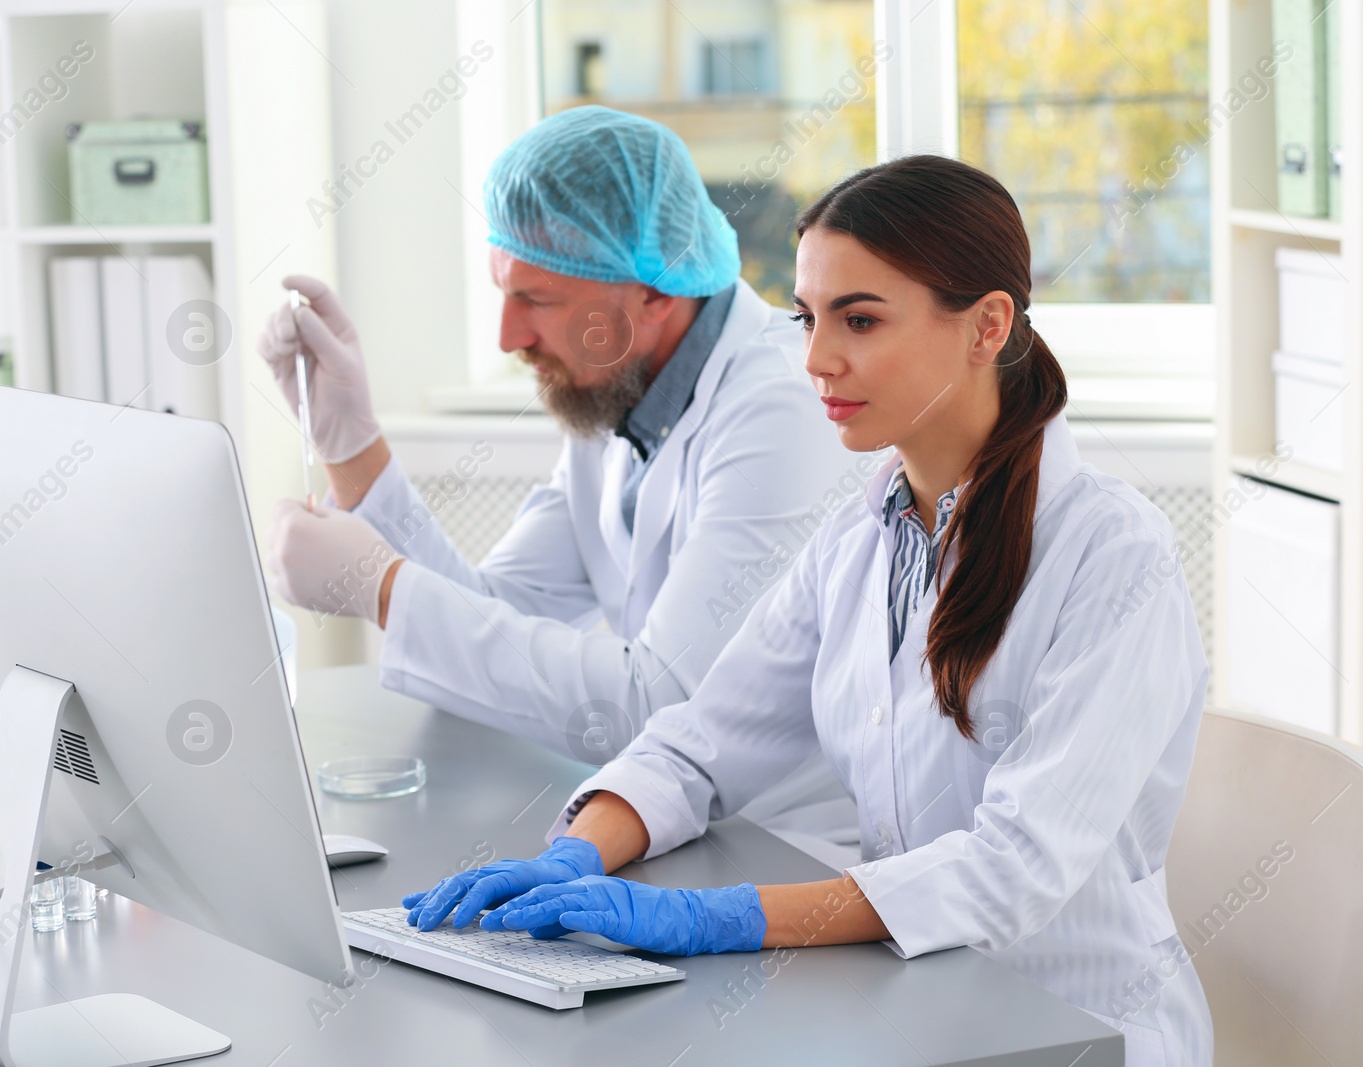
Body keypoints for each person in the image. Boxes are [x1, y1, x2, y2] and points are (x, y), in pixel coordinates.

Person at [398, 154, 1213, 1065]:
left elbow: (1014, 867)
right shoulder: (857, 538)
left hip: (1075, 1029)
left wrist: (721, 916)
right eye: (808, 318)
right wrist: (578, 854)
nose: (817, 359)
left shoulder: (1113, 554)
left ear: (987, 326)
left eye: (859, 319)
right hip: (912, 1008)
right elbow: (699, 742)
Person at [259, 107, 862, 865]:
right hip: (678, 832)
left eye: (536, 300)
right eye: (504, 294)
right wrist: (350, 446)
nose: (510, 338)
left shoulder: (783, 404)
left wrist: (381, 588)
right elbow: (491, 619)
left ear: (651, 292)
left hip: (791, 853)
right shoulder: (619, 398)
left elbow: (662, 704)